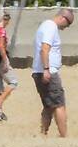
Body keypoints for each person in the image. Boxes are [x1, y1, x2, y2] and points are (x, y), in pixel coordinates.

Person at [32, 8, 74, 138]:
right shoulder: (51, 27)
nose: (65, 28)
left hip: (39, 71)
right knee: (59, 105)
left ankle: (43, 133)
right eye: (67, 25)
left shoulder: (45, 25)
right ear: (62, 18)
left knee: (48, 105)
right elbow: (45, 49)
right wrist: (47, 70)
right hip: (48, 72)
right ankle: (64, 136)